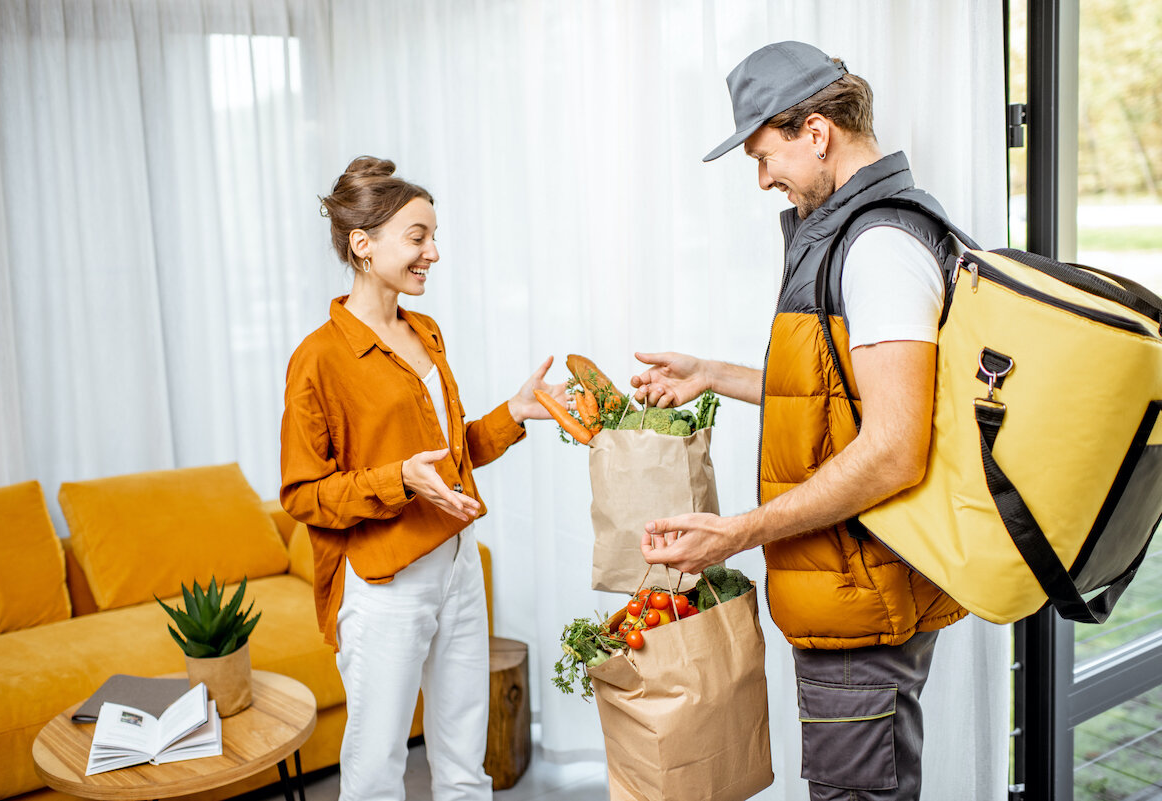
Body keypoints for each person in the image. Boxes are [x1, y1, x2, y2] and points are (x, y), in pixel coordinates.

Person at [632, 42, 969, 801]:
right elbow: (839, 401)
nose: (762, 180)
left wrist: (740, 531)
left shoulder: (878, 245)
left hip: (860, 593)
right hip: (847, 585)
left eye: (765, 154)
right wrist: (711, 374)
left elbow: (890, 449)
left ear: (816, 132)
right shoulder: (848, 233)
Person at [279, 156, 566, 801]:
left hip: (459, 566)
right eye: (418, 236)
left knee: (466, 761)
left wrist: (515, 412)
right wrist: (398, 481)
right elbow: (302, 494)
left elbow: (447, 455)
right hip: (386, 582)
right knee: (378, 767)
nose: (433, 252)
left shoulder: (424, 331)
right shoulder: (319, 358)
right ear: (363, 244)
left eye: (434, 236)